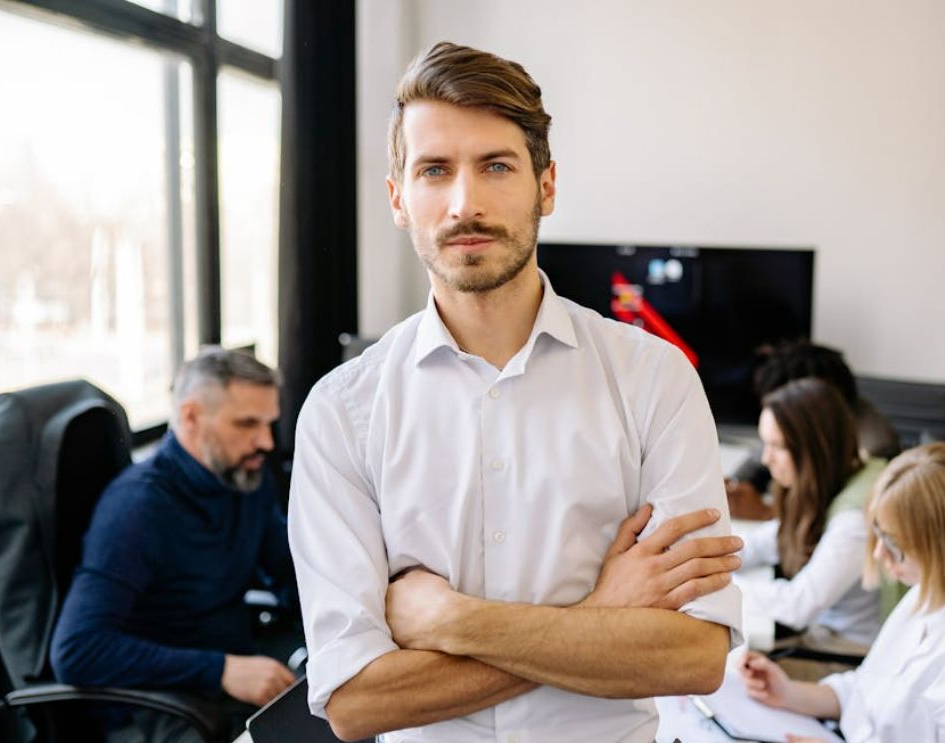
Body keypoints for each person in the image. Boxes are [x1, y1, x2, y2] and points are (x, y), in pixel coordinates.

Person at [287, 41, 743, 742]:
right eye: (434, 170)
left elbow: (694, 654)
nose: (465, 202)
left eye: (496, 166)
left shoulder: (655, 378)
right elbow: (355, 702)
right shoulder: (342, 411)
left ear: (546, 185)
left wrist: (451, 621)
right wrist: (600, 617)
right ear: (398, 199)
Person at [50, 348, 299, 742]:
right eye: (248, 424)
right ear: (191, 417)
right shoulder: (137, 508)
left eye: (269, 424)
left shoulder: (243, 478)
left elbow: (288, 569)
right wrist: (221, 670)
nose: (266, 442)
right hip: (160, 707)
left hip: (235, 684)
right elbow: (77, 650)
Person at [739, 443, 945, 742]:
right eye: (877, 537)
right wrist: (788, 693)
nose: (878, 555)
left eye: (893, 545)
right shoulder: (936, 589)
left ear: (941, 549)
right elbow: (869, 691)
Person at [736, 378, 887, 649]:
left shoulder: (854, 521)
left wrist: (724, 585)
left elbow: (798, 606)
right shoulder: (838, 479)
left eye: (777, 446)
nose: (765, 459)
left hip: (845, 654)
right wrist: (711, 562)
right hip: (824, 640)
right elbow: (767, 541)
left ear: (814, 449)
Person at [727, 341, 899, 521]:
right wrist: (736, 485)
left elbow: (831, 519)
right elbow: (759, 460)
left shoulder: (874, 452)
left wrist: (767, 512)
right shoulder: (834, 415)